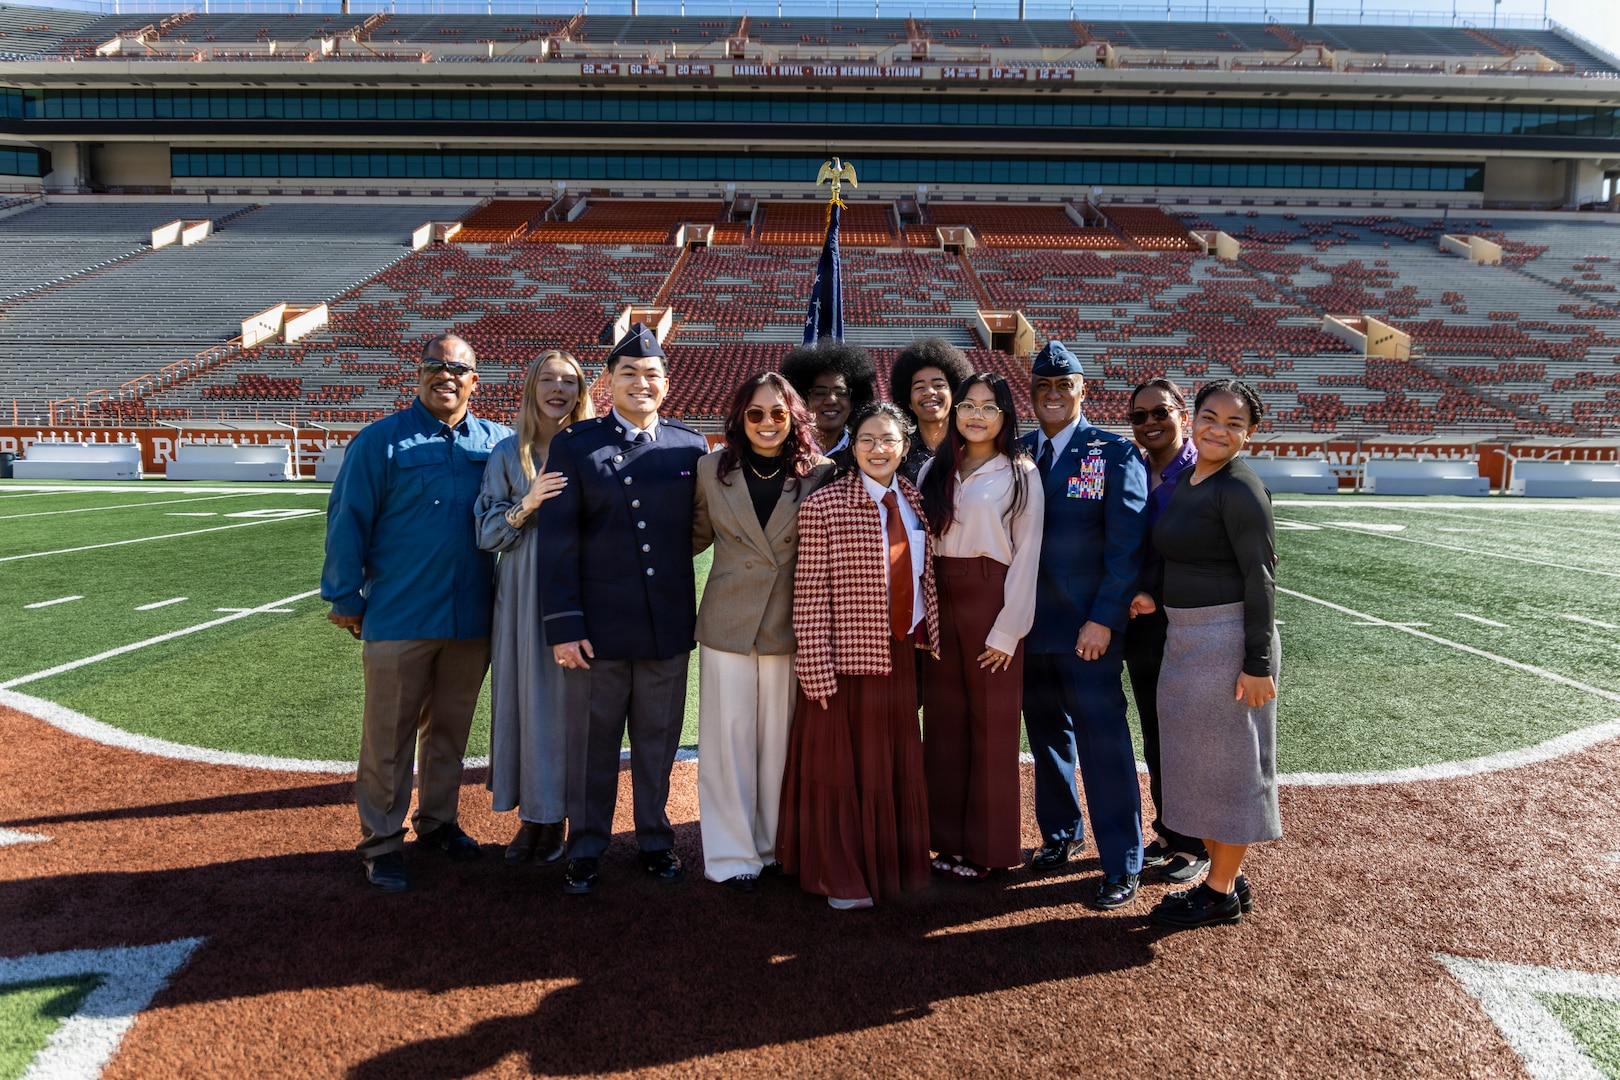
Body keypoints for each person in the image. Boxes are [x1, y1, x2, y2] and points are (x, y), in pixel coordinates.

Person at [322, 333, 512, 893]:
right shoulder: (381, 441)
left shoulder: (497, 443)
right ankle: (381, 842)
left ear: (475, 381)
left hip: (472, 617)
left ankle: (438, 822)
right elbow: (347, 518)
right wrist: (344, 596)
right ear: (419, 374)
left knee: (450, 732)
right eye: (435, 365)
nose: (446, 375)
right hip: (401, 613)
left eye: (458, 368)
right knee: (389, 735)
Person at [542, 323, 709, 896]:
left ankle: (655, 840)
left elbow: (698, 530)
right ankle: (586, 845)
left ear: (667, 384)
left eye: (652, 374)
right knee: (592, 746)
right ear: (609, 381)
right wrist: (564, 626)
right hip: (597, 631)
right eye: (629, 373)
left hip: (665, 629)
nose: (642, 382)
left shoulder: (691, 447)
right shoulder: (575, 444)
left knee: (658, 743)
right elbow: (557, 541)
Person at [777, 401, 938, 911]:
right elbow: (809, 594)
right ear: (852, 446)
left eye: (888, 439)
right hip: (844, 663)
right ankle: (839, 873)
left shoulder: (913, 499)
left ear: (904, 446)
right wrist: (815, 666)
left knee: (888, 769)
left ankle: (888, 865)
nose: (877, 449)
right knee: (841, 771)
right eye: (866, 439)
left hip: (897, 655)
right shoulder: (824, 505)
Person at [1019, 340, 1149, 911]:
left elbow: (1128, 548)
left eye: (1063, 385)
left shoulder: (1114, 453)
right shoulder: (1018, 452)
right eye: (1042, 386)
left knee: (1103, 743)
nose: (1052, 394)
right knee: (1046, 739)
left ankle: (1122, 860)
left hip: (1088, 633)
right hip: (1029, 628)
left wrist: (1104, 619)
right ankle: (1061, 834)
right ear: (1032, 393)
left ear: (1082, 391)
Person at [691, 372, 833, 893]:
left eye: (778, 413)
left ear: (794, 417)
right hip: (727, 623)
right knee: (726, 744)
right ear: (739, 418)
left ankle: (773, 847)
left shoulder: (821, 472)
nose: (767, 423)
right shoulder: (710, 468)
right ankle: (731, 857)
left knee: (779, 744)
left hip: (788, 624)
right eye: (755, 413)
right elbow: (692, 536)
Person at [1148, 379, 1280, 930]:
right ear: (1193, 417)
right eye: (1209, 416)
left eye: (1233, 423)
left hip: (1227, 645)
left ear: (1249, 433)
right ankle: (1225, 876)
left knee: (1226, 771)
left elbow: (1261, 577)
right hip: (1187, 638)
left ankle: (1219, 891)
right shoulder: (1193, 479)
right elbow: (1189, 556)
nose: (1217, 429)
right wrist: (1151, 595)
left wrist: (1256, 664)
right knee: (1197, 768)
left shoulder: (1240, 488)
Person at [917, 373, 1043, 881]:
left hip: (992, 597)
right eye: (967, 404)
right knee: (944, 725)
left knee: (991, 726)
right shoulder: (934, 468)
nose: (975, 414)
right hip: (938, 596)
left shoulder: (1020, 472)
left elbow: (1028, 554)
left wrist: (1008, 629)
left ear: (1005, 416)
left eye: (988, 407)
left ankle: (989, 848)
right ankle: (945, 841)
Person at [474, 350, 594, 867]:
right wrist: (529, 504)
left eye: (569, 381)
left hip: (581, 591)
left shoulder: (593, 447)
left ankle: (569, 814)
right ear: (531, 388)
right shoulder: (507, 454)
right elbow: (486, 532)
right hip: (522, 594)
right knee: (526, 700)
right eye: (548, 379)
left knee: (575, 704)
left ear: (581, 392)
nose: (558, 389)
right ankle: (534, 817)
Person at [1123, 377, 1208, 885]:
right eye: (1139, 416)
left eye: (1160, 412)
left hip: (1189, 622)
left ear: (1181, 412)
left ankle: (1195, 840)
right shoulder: (1135, 466)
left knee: (1188, 734)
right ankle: (1169, 829)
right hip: (1145, 625)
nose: (1151, 423)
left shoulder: (1203, 472)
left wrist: (1158, 590)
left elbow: (1205, 557)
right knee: (1156, 731)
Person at [889, 337, 973, 484]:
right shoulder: (898, 452)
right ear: (908, 401)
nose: (929, 392)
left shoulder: (972, 448)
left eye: (939, 385)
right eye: (919, 387)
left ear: (954, 394)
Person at [780, 340, 878, 457]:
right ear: (804, 401)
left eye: (840, 392)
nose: (831, 400)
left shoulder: (864, 453)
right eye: (820, 393)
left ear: (852, 403)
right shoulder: (786, 451)